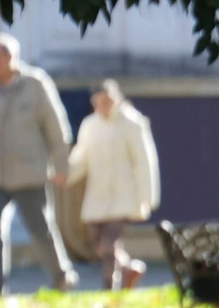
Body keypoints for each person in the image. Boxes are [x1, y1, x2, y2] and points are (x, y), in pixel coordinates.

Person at [0, 31, 77, 294]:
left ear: (11, 57)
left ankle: (61, 277)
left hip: (29, 173)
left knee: (40, 229)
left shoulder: (35, 84)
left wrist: (61, 165)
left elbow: (56, 128)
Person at [67, 80, 159, 290]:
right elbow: (81, 156)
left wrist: (147, 197)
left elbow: (144, 161)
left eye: (107, 102)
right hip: (97, 197)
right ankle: (128, 268)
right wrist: (65, 174)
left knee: (109, 245)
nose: (103, 107)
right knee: (99, 246)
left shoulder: (131, 123)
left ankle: (110, 286)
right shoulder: (90, 125)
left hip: (122, 196)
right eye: (98, 103)